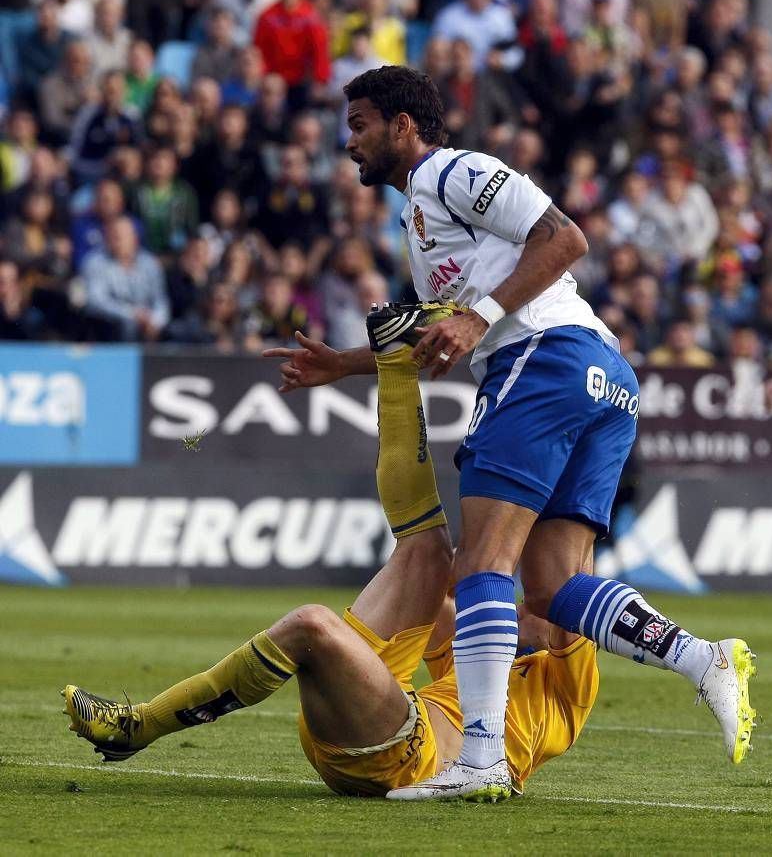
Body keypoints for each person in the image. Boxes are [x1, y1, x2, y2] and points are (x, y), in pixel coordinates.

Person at [264, 65, 756, 800]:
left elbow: (565, 238)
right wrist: (342, 363)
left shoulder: (455, 172)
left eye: (361, 123)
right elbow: (439, 337)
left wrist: (480, 317)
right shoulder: (421, 224)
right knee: (555, 586)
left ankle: (483, 756)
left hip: (543, 356)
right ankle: (702, 658)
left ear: (404, 125)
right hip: (597, 375)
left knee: (480, 563)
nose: (350, 142)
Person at [62, 308, 600, 803]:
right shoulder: (483, 636)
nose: (529, 589)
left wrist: (584, 418)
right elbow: (452, 574)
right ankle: (396, 367)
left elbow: (572, 572)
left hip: (407, 761)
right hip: (382, 720)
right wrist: (373, 359)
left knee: (314, 626)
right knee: (426, 553)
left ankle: (137, 725)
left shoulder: (566, 684)